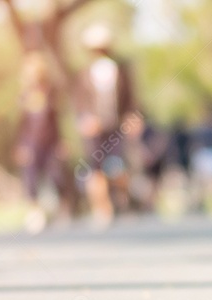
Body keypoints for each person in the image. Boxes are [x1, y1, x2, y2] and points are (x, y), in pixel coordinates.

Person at [74, 23, 138, 227]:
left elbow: (130, 98)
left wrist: (133, 117)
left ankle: (123, 201)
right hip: (94, 129)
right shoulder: (85, 73)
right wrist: (85, 118)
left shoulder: (120, 69)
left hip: (116, 127)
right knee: (96, 170)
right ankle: (102, 209)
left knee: (118, 166)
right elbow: (80, 101)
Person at [16, 52, 72, 233]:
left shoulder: (51, 91)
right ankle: (35, 212)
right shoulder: (24, 95)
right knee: (31, 177)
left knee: (56, 175)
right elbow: (21, 122)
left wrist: (62, 141)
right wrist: (21, 144)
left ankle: (64, 209)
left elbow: (56, 118)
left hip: (51, 141)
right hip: (31, 142)